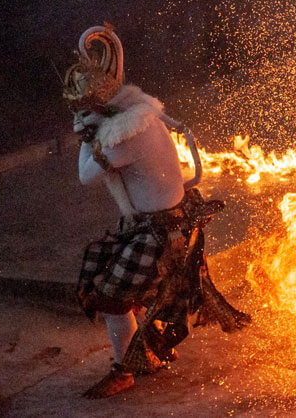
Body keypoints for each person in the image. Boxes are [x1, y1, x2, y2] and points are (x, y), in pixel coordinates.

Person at [64, 24, 249, 398]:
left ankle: (125, 370)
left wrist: (87, 136)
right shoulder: (138, 111)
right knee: (126, 287)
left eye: (83, 108)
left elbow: (85, 176)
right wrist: (96, 127)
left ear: (98, 106)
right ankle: (146, 354)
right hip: (161, 222)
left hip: (163, 230)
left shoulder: (123, 136)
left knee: (114, 297)